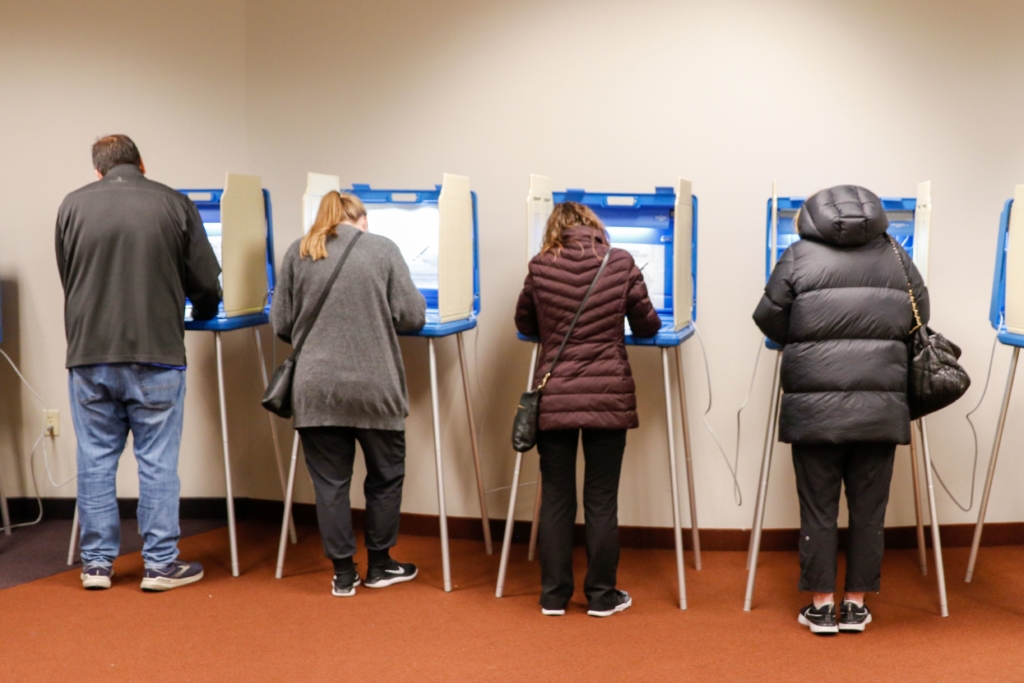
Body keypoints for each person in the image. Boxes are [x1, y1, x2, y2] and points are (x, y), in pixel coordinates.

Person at [753, 185, 929, 635]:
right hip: (880, 407)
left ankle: (820, 606)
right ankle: (854, 606)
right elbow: (918, 317)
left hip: (815, 408)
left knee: (818, 507)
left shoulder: (797, 255)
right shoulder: (896, 255)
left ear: (811, 217)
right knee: (870, 509)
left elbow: (769, 318)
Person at [55, 134, 221, 591]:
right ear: (141, 163)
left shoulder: (72, 205)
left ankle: (96, 565)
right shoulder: (174, 204)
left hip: (89, 355)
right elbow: (206, 282)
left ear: (98, 170)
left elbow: (69, 276)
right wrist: (203, 314)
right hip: (158, 354)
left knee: (94, 460)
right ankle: (161, 566)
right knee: (157, 462)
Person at [271, 191, 426, 597]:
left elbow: (282, 323)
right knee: (386, 478)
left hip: (316, 389)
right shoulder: (382, 249)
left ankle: (343, 574)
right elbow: (413, 315)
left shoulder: (298, 251)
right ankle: (379, 566)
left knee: (331, 484)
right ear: (359, 219)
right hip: (377, 388)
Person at [514, 202, 661, 618]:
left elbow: (525, 324)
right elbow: (647, 325)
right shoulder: (620, 262)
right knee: (601, 498)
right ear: (595, 228)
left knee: (557, 499)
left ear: (555, 231)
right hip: (607, 397)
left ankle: (553, 596)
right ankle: (601, 596)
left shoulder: (541, 265)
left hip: (556, 396)